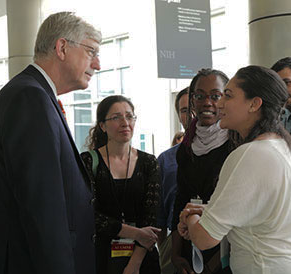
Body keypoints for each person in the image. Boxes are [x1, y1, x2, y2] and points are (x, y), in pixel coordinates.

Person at [0, 12, 101, 274]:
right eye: (91, 52)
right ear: (62, 47)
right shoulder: (30, 97)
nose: (98, 64)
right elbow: (43, 210)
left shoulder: (35, 94)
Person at [178, 65, 291, 274]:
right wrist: (208, 211)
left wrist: (190, 216)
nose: (220, 104)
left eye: (228, 95)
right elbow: (262, 216)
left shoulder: (250, 154)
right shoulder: (285, 147)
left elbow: (205, 238)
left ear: (254, 104)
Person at [81, 95, 161, 274]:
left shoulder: (149, 162)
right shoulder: (87, 161)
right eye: (116, 117)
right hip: (101, 257)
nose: (125, 122)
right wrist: (135, 232)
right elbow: (87, 215)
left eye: (129, 116)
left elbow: (151, 218)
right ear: (102, 126)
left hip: (143, 258)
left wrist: (135, 263)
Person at [172, 69, 239, 274]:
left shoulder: (236, 144)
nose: (207, 102)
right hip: (189, 240)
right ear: (192, 102)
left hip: (225, 249)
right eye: (199, 96)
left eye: (215, 96)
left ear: (226, 99)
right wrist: (176, 254)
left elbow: (236, 210)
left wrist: (215, 264)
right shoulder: (186, 148)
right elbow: (180, 200)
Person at [157, 87, 189, 274]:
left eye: (194, 106)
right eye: (184, 110)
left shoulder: (227, 152)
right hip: (174, 242)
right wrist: (165, 250)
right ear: (178, 116)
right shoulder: (165, 160)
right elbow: (159, 214)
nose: (192, 114)